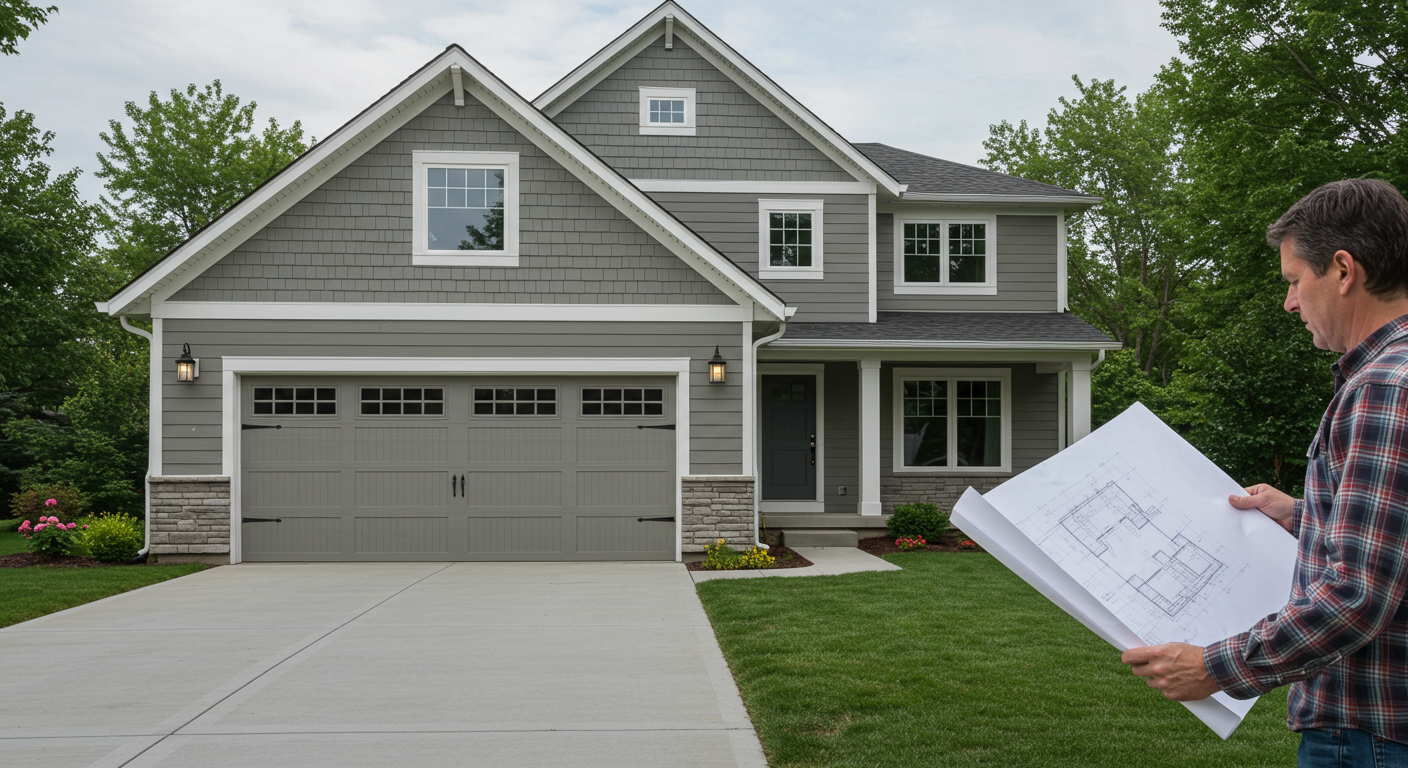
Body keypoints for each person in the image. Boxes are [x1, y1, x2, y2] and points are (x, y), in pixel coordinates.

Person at [1120, 178, 1408, 766]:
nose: (1290, 303)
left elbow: (1356, 597)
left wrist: (1213, 666)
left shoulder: (1383, 386)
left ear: (1344, 270)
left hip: (1370, 735)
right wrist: (1302, 515)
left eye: (1295, 281)